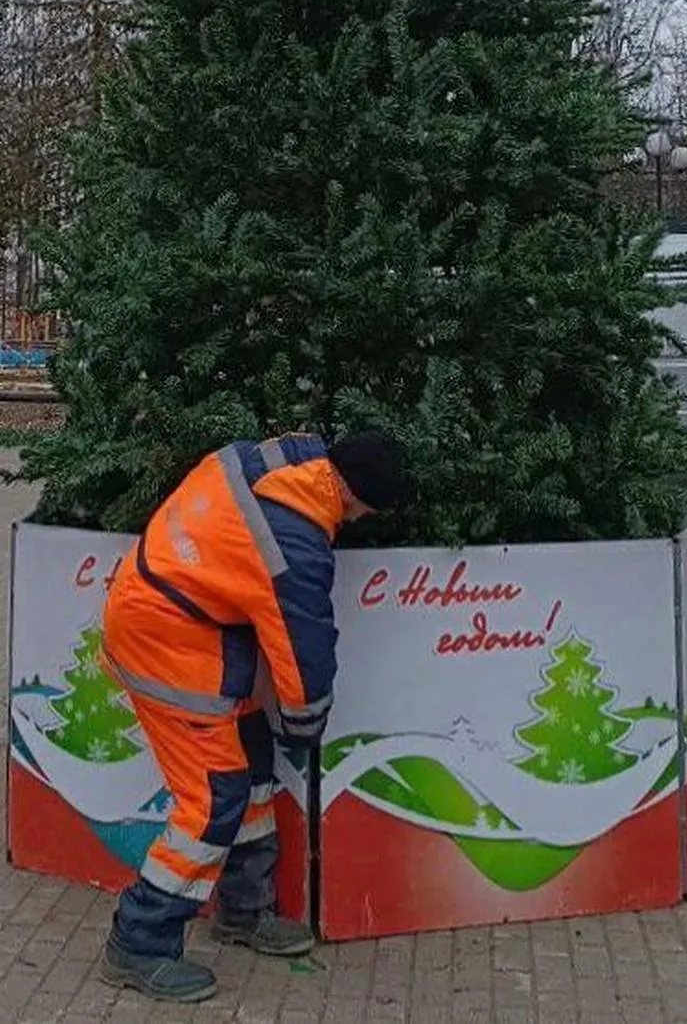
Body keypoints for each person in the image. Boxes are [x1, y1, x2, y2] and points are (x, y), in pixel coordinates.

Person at [99, 427, 409, 1003]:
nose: (359, 523)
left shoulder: (286, 460)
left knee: (253, 768)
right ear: (356, 497)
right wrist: (305, 726)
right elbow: (304, 652)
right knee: (213, 800)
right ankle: (139, 940)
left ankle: (243, 910)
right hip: (168, 646)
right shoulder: (295, 543)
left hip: (197, 631)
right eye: (365, 514)